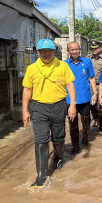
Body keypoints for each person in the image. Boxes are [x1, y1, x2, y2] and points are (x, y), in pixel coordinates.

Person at [22, 39, 76, 188]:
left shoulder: (62, 66)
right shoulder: (32, 68)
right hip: (39, 108)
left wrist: (72, 105)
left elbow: (70, 85)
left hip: (59, 106)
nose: (46, 54)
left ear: (54, 51)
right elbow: (27, 89)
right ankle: (41, 175)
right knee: (41, 140)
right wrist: (25, 110)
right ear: (38, 52)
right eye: (43, 51)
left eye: (50, 51)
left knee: (59, 138)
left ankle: (58, 157)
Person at [65, 41, 97, 153]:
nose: (74, 51)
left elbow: (92, 78)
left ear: (80, 50)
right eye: (72, 49)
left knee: (86, 121)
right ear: (68, 51)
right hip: (70, 100)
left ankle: (85, 137)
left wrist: (95, 93)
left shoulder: (87, 62)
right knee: (72, 124)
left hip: (85, 98)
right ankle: (75, 146)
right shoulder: (64, 64)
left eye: (76, 49)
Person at [86, 40, 102, 132]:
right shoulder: (87, 58)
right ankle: (96, 120)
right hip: (91, 86)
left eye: (96, 48)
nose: (93, 50)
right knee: (92, 105)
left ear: (100, 48)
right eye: (92, 48)